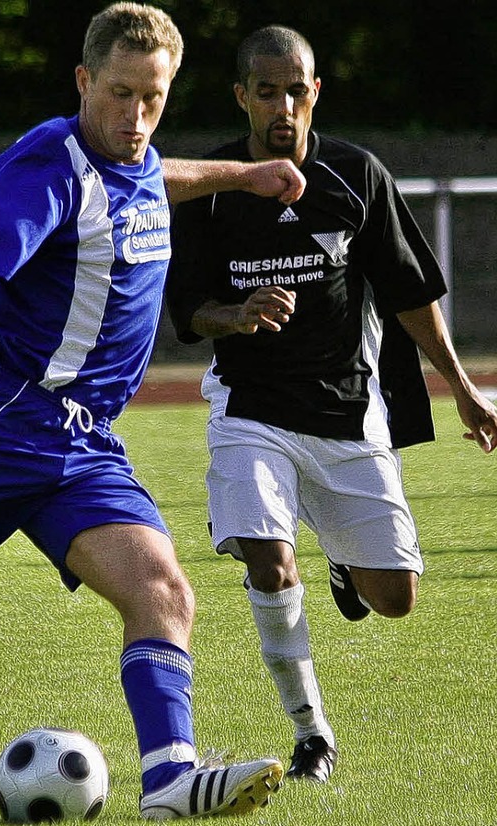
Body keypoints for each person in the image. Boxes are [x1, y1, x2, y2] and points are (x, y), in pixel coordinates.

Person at [0, 6, 307, 821]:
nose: (137, 118)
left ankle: (170, 778)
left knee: (163, 590)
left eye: (154, 98)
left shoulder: (130, 154)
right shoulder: (49, 168)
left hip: (84, 444)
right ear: (83, 82)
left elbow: (155, 173)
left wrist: (241, 176)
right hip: (1, 420)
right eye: (120, 95)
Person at [166, 24, 497, 785]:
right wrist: (235, 313)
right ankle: (312, 732)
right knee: (269, 562)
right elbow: (187, 310)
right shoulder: (212, 192)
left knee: (395, 600)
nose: (283, 106)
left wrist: (465, 390)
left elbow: (410, 294)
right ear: (242, 96)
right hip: (249, 407)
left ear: (314, 93)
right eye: (266, 91)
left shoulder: (357, 176)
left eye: (296, 90)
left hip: (349, 409)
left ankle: (348, 562)